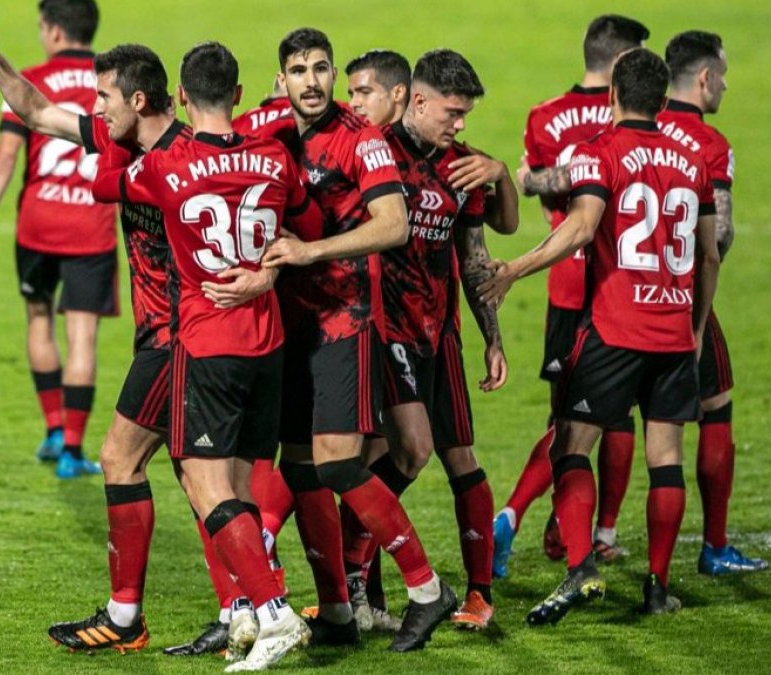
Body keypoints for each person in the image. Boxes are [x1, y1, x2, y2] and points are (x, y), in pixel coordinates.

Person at [0, 21, 278, 657]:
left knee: (130, 460)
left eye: (104, 97)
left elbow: (112, 185)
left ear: (138, 101)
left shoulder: (183, 161)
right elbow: (36, 110)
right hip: (168, 335)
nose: (94, 108)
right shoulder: (129, 138)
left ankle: (160, 613)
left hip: (180, 336)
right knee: (195, 476)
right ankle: (236, 610)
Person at [92, 41, 323, 672]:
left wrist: (105, 126)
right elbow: (311, 223)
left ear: (183, 100)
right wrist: (270, 265)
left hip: (207, 340)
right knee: (243, 487)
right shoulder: (275, 157)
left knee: (201, 480)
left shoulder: (169, 167)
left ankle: (273, 613)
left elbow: (106, 182)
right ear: (241, 95)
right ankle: (246, 611)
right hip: (269, 344)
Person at [479, 47, 720, 622]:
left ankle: (581, 565)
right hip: (673, 332)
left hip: (614, 330)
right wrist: (697, 323)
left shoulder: (598, 153)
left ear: (611, 94)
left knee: (570, 445)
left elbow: (582, 228)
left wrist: (513, 268)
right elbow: (709, 255)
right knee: (666, 461)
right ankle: (658, 588)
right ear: (664, 102)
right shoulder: (694, 161)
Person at [257, 28, 457, 653]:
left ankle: (427, 590)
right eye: (298, 70)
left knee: (339, 461)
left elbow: (394, 225)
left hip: (344, 319)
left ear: (333, 73)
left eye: (321, 68)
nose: (311, 80)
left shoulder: (361, 139)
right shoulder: (268, 128)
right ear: (282, 78)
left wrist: (310, 250)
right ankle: (339, 612)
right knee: (299, 465)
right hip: (288, 324)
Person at [494, 14, 651, 576]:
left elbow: (546, 200)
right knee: (615, 418)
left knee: (566, 418)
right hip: (622, 284)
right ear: (620, 67)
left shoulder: (545, 117)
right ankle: (595, 533)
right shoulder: (634, 128)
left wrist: (547, 181)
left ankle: (542, 523)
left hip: (565, 280)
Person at [367, 49, 516, 632]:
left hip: (441, 333)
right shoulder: (376, 154)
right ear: (418, 99)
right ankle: (363, 588)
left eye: (466, 115)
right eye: (452, 113)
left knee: (460, 458)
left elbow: (476, 257)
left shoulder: (464, 168)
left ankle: (478, 596)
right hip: (385, 331)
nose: (460, 125)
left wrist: (493, 339)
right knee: (394, 454)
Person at [0, 0, 114, 478]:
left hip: (37, 224)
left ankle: (52, 429)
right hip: (90, 226)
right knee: (82, 338)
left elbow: (6, 155)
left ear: (52, 30)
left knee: (38, 320)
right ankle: (72, 448)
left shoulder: (29, 80)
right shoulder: (110, 86)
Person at [659, 30, 767, 576]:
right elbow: (716, 239)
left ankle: (554, 528)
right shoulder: (709, 143)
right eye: (722, 74)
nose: (724, 84)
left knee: (587, 421)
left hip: (618, 295)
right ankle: (716, 547)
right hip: (679, 297)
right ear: (704, 78)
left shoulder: (638, 122)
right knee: (714, 406)